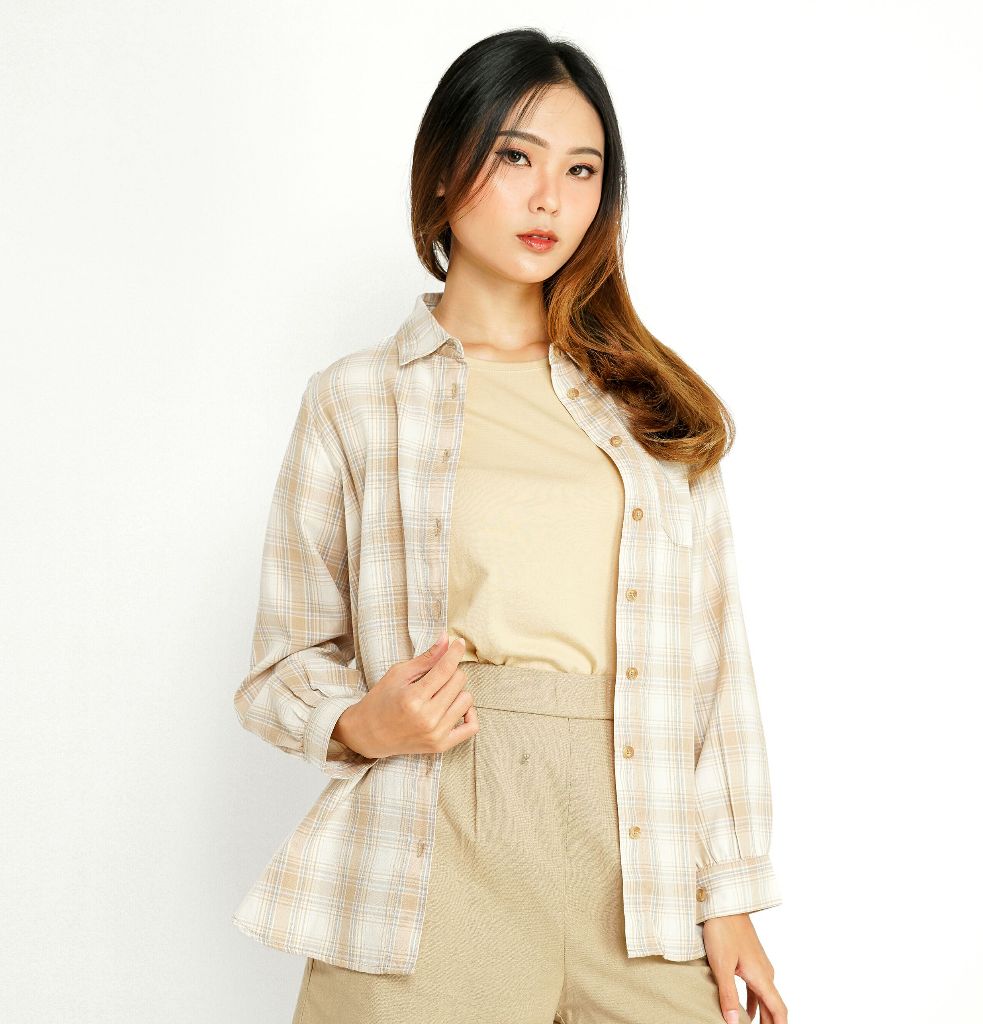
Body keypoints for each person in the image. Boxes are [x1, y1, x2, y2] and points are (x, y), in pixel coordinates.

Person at [231, 27, 787, 1024]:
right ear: (445, 170)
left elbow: (716, 672)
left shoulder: (651, 410)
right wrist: (357, 723)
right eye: (516, 157)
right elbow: (283, 663)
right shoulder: (357, 401)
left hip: (638, 865)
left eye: (582, 170)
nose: (549, 200)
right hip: (434, 844)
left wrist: (730, 893)